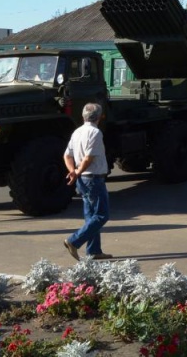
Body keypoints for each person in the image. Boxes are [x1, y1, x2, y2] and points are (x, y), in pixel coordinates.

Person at [62, 102, 111, 259]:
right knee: (102, 215)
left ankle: (94, 251)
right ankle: (74, 241)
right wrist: (77, 172)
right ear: (99, 117)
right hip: (93, 178)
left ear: (83, 116)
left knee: (91, 216)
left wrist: (73, 171)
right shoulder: (95, 133)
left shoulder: (77, 132)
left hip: (82, 179)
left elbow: (67, 155)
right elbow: (89, 158)